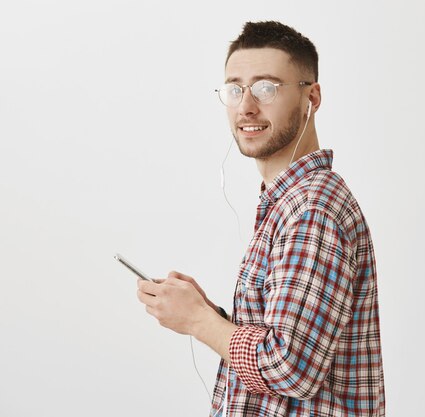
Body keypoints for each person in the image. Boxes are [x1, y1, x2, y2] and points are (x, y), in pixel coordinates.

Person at [136, 21, 385, 416]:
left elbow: (290, 369)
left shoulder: (312, 210)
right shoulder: (288, 202)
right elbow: (281, 343)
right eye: (235, 89)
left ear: (312, 97)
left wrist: (199, 321)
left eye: (267, 87)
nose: (246, 106)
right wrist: (212, 315)